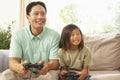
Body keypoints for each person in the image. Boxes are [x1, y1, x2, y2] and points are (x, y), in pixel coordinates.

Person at [0, 1, 60, 80]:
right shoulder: (18, 34)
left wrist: (48, 65)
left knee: (53, 75)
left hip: (45, 73)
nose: (40, 17)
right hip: (24, 73)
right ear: (28, 17)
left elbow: (55, 62)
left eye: (43, 14)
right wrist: (19, 67)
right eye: (36, 14)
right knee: (5, 76)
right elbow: (12, 61)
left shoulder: (54, 35)